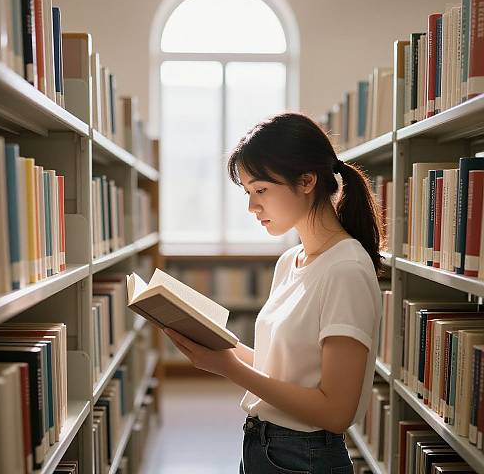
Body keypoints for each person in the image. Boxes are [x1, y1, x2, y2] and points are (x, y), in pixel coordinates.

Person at [164, 112, 384, 474]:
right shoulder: (290, 261)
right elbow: (283, 371)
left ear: (307, 181)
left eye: (261, 190)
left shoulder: (346, 269)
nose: (252, 207)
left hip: (305, 457)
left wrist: (230, 369)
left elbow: (336, 411)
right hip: (261, 444)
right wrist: (218, 346)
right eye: (249, 192)